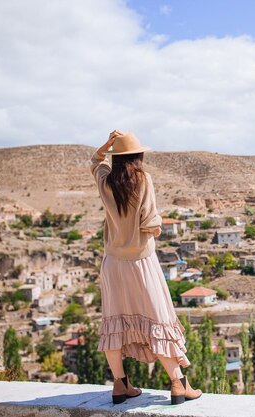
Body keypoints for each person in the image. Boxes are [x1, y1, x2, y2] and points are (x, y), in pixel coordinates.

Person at [91, 130, 202, 405]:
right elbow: (150, 223)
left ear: (116, 158)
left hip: (112, 264)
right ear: (138, 157)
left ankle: (120, 385)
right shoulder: (143, 180)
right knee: (157, 321)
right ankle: (178, 384)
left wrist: (107, 144)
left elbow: (94, 161)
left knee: (114, 323)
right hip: (141, 263)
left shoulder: (105, 181)